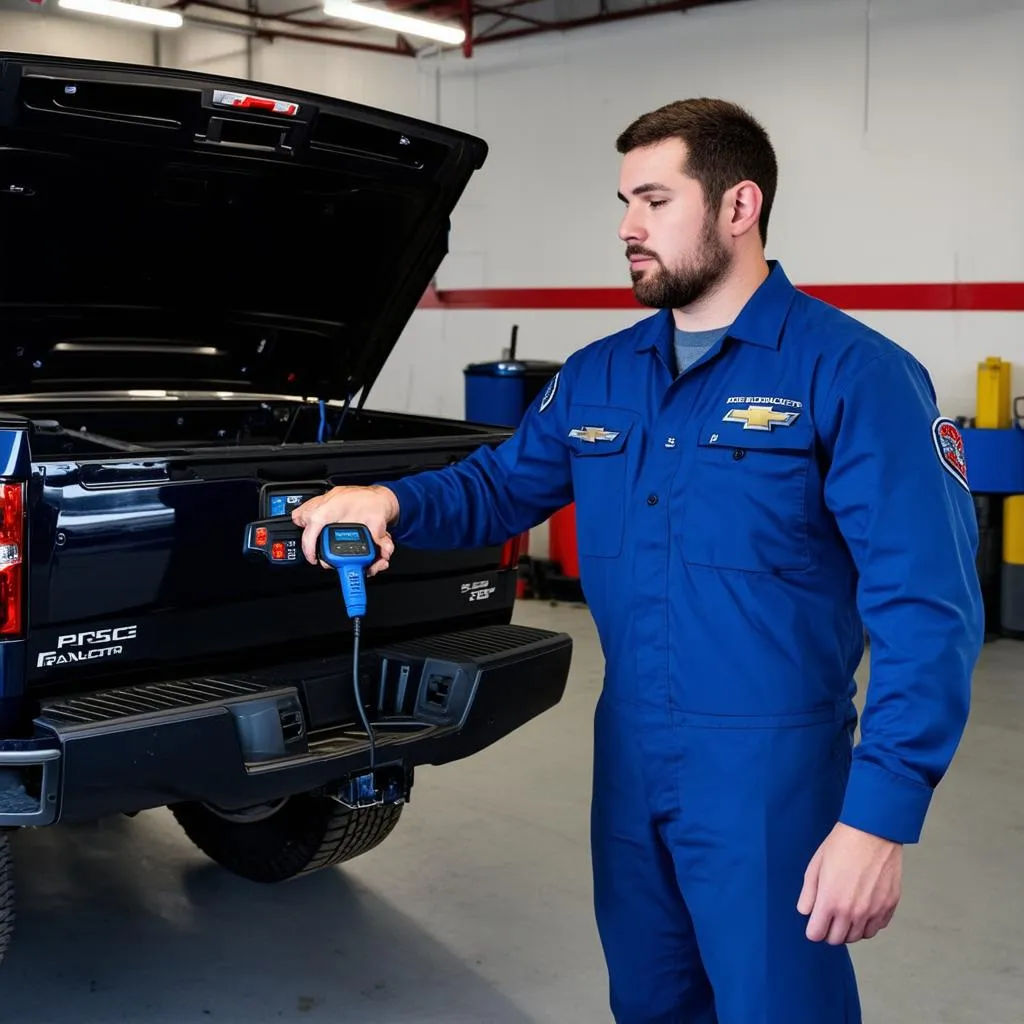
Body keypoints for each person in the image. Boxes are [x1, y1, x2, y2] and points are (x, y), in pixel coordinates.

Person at [292, 98, 985, 1023]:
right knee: (651, 999)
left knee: (778, 1006)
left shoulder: (855, 374)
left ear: (739, 208)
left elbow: (927, 610)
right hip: (629, 748)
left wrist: (878, 816)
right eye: (624, 201)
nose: (627, 227)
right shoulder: (601, 373)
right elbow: (502, 486)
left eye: (654, 200)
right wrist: (388, 501)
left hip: (770, 767)